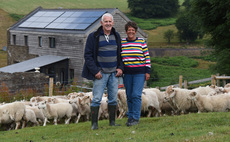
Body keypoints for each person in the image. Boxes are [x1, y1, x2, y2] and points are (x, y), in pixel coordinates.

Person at [81, 13, 124, 130]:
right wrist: (95, 71)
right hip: (100, 74)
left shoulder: (117, 36)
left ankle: (112, 122)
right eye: (106, 21)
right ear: (101, 23)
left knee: (113, 98)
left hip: (114, 74)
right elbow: (88, 55)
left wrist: (120, 68)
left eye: (110, 21)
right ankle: (94, 124)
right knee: (96, 99)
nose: (108, 24)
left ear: (113, 23)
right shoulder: (93, 36)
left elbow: (121, 54)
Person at [121, 21, 151, 126]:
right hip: (127, 73)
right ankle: (130, 117)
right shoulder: (122, 42)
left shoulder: (141, 42)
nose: (131, 32)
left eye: (133, 30)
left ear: (135, 31)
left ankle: (135, 118)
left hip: (140, 73)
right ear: (126, 31)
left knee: (136, 95)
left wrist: (147, 71)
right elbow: (120, 58)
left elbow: (147, 57)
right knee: (129, 95)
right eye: (129, 30)